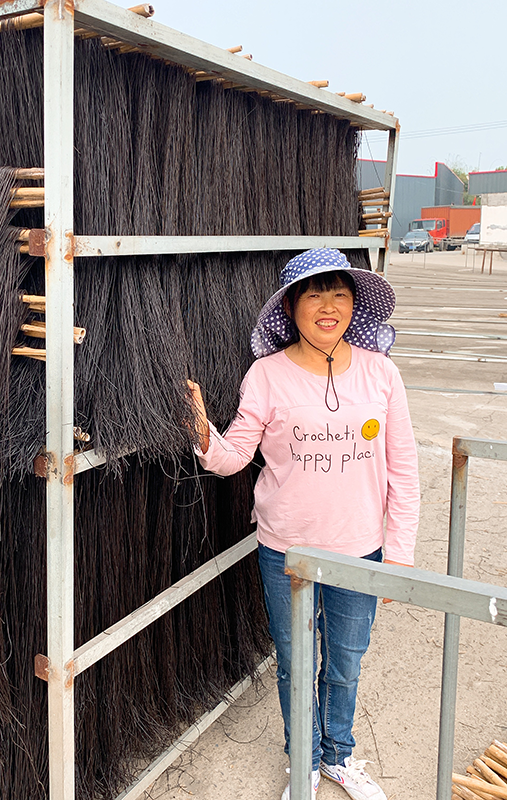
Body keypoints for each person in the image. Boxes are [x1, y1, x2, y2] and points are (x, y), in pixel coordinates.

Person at [187, 248, 419, 800]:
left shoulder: (381, 372)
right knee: (296, 662)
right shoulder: (266, 375)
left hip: (361, 548)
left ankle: (339, 756)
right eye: (314, 293)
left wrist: (400, 554)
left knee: (345, 659)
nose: (328, 305)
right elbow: (234, 457)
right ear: (291, 306)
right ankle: (304, 762)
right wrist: (197, 423)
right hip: (286, 551)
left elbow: (403, 470)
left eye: (340, 292)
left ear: (354, 304)